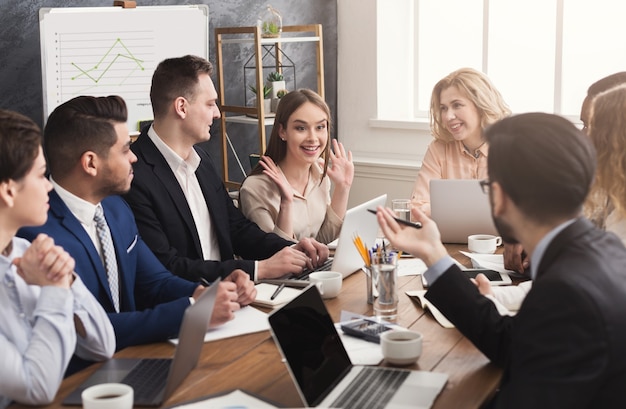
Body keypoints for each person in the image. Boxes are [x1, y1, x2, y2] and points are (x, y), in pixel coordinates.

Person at [376, 112, 626, 407]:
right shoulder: (605, 248)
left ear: (500, 196)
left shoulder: (565, 293)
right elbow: (516, 344)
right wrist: (433, 254)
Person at [18, 96, 251, 353]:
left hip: (134, 359)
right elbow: (86, 329)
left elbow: (155, 282)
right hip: (76, 380)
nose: (134, 158)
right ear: (91, 163)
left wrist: (207, 292)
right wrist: (193, 311)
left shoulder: (117, 208)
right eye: (125, 149)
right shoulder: (34, 236)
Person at [124, 55, 329, 284]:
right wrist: (258, 270)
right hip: (188, 307)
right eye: (210, 104)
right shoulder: (134, 174)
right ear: (181, 107)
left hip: (231, 297)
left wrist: (292, 248)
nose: (217, 113)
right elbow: (168, 266)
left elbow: (237, 229)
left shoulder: (201, 159)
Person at [0, 109, 115, 408]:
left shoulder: (29, 253)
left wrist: (66, 278)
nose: (49, 185)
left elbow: (103, 345)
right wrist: (54, 289)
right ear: (9, 191)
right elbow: (37, 387)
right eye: (40, 175)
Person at [492, 72, 626, 311]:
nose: (585, 136)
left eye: (593, 126)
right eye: (584, 124)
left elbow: (586, 275)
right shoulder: (608, 187)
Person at [239, 89, 354, 244]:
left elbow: (323, 242)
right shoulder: (255, 188)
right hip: (283, 267)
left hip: (315, 268)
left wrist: (342, 187)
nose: (313, 138)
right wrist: (286, 202)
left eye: (320, 127)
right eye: (301, 128)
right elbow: (274, 254)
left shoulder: (320, 173)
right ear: (282, 131)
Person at [410, 67, 510, 216]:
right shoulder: (438, 149)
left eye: (457, 105)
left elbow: (519, 212)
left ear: (481, 105)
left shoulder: (510, 149)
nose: (448, 116)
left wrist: (446, 212)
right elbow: (417, 207)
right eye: (443, 108)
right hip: (444, 238)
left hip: (498, 239)